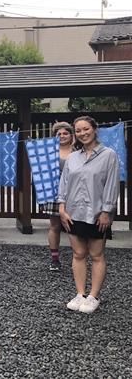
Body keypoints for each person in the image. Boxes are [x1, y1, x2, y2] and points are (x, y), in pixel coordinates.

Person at [58, 116, 119, 314]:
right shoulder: (73, 158)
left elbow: (112, 184)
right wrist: (61, 208)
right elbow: (64, 183)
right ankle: (80, 293)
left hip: (96, 212)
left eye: (86, 129)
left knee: (96, 254)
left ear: (94, 129)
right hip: (73, 212)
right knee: (78, 254)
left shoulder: (108, 155)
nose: (83, 133)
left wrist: (106, 211)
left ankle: (93, 296)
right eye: (78, 130)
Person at [40, 122, 75, 272]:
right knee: (54, 225)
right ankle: (55, 258)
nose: (62, 136)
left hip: (74, 191)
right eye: (58, 134)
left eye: (65, 133)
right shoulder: (48, 152)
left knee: (74, 226)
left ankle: (78, 257)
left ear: (71, 134)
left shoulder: (78, 151)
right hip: (53, 191)